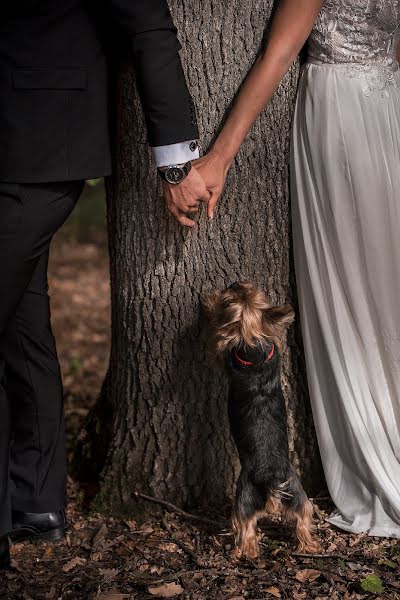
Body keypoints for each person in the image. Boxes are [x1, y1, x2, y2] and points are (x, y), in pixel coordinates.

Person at [0, 0, 209, 570]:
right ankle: (34, 503)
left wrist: (174, 163)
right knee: (19, 329)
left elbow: (148, 26)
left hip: (36, 145)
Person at [195, 0, 400, 538]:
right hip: (361, 115)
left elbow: (288, 54)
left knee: (378, 282)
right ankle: (376, 425)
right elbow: (283, 55)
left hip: (365, 113)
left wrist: (219, 153)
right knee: (367, 282)